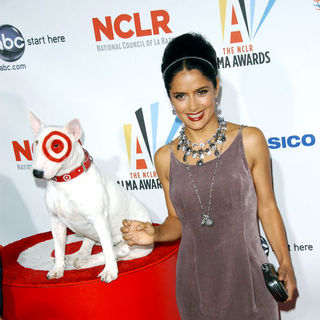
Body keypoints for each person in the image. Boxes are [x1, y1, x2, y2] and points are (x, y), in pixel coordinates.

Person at [121, 33, 296, 320]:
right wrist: (155, 233)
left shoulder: (249, 140)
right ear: (170, 98)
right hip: (196, 286)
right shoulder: (165, 157)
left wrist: (285, 262)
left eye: (201, 91)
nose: (192, 106)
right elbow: (177, 220)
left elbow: (267, 207)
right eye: (180, 96)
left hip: (249, 279)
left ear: (216, 86)